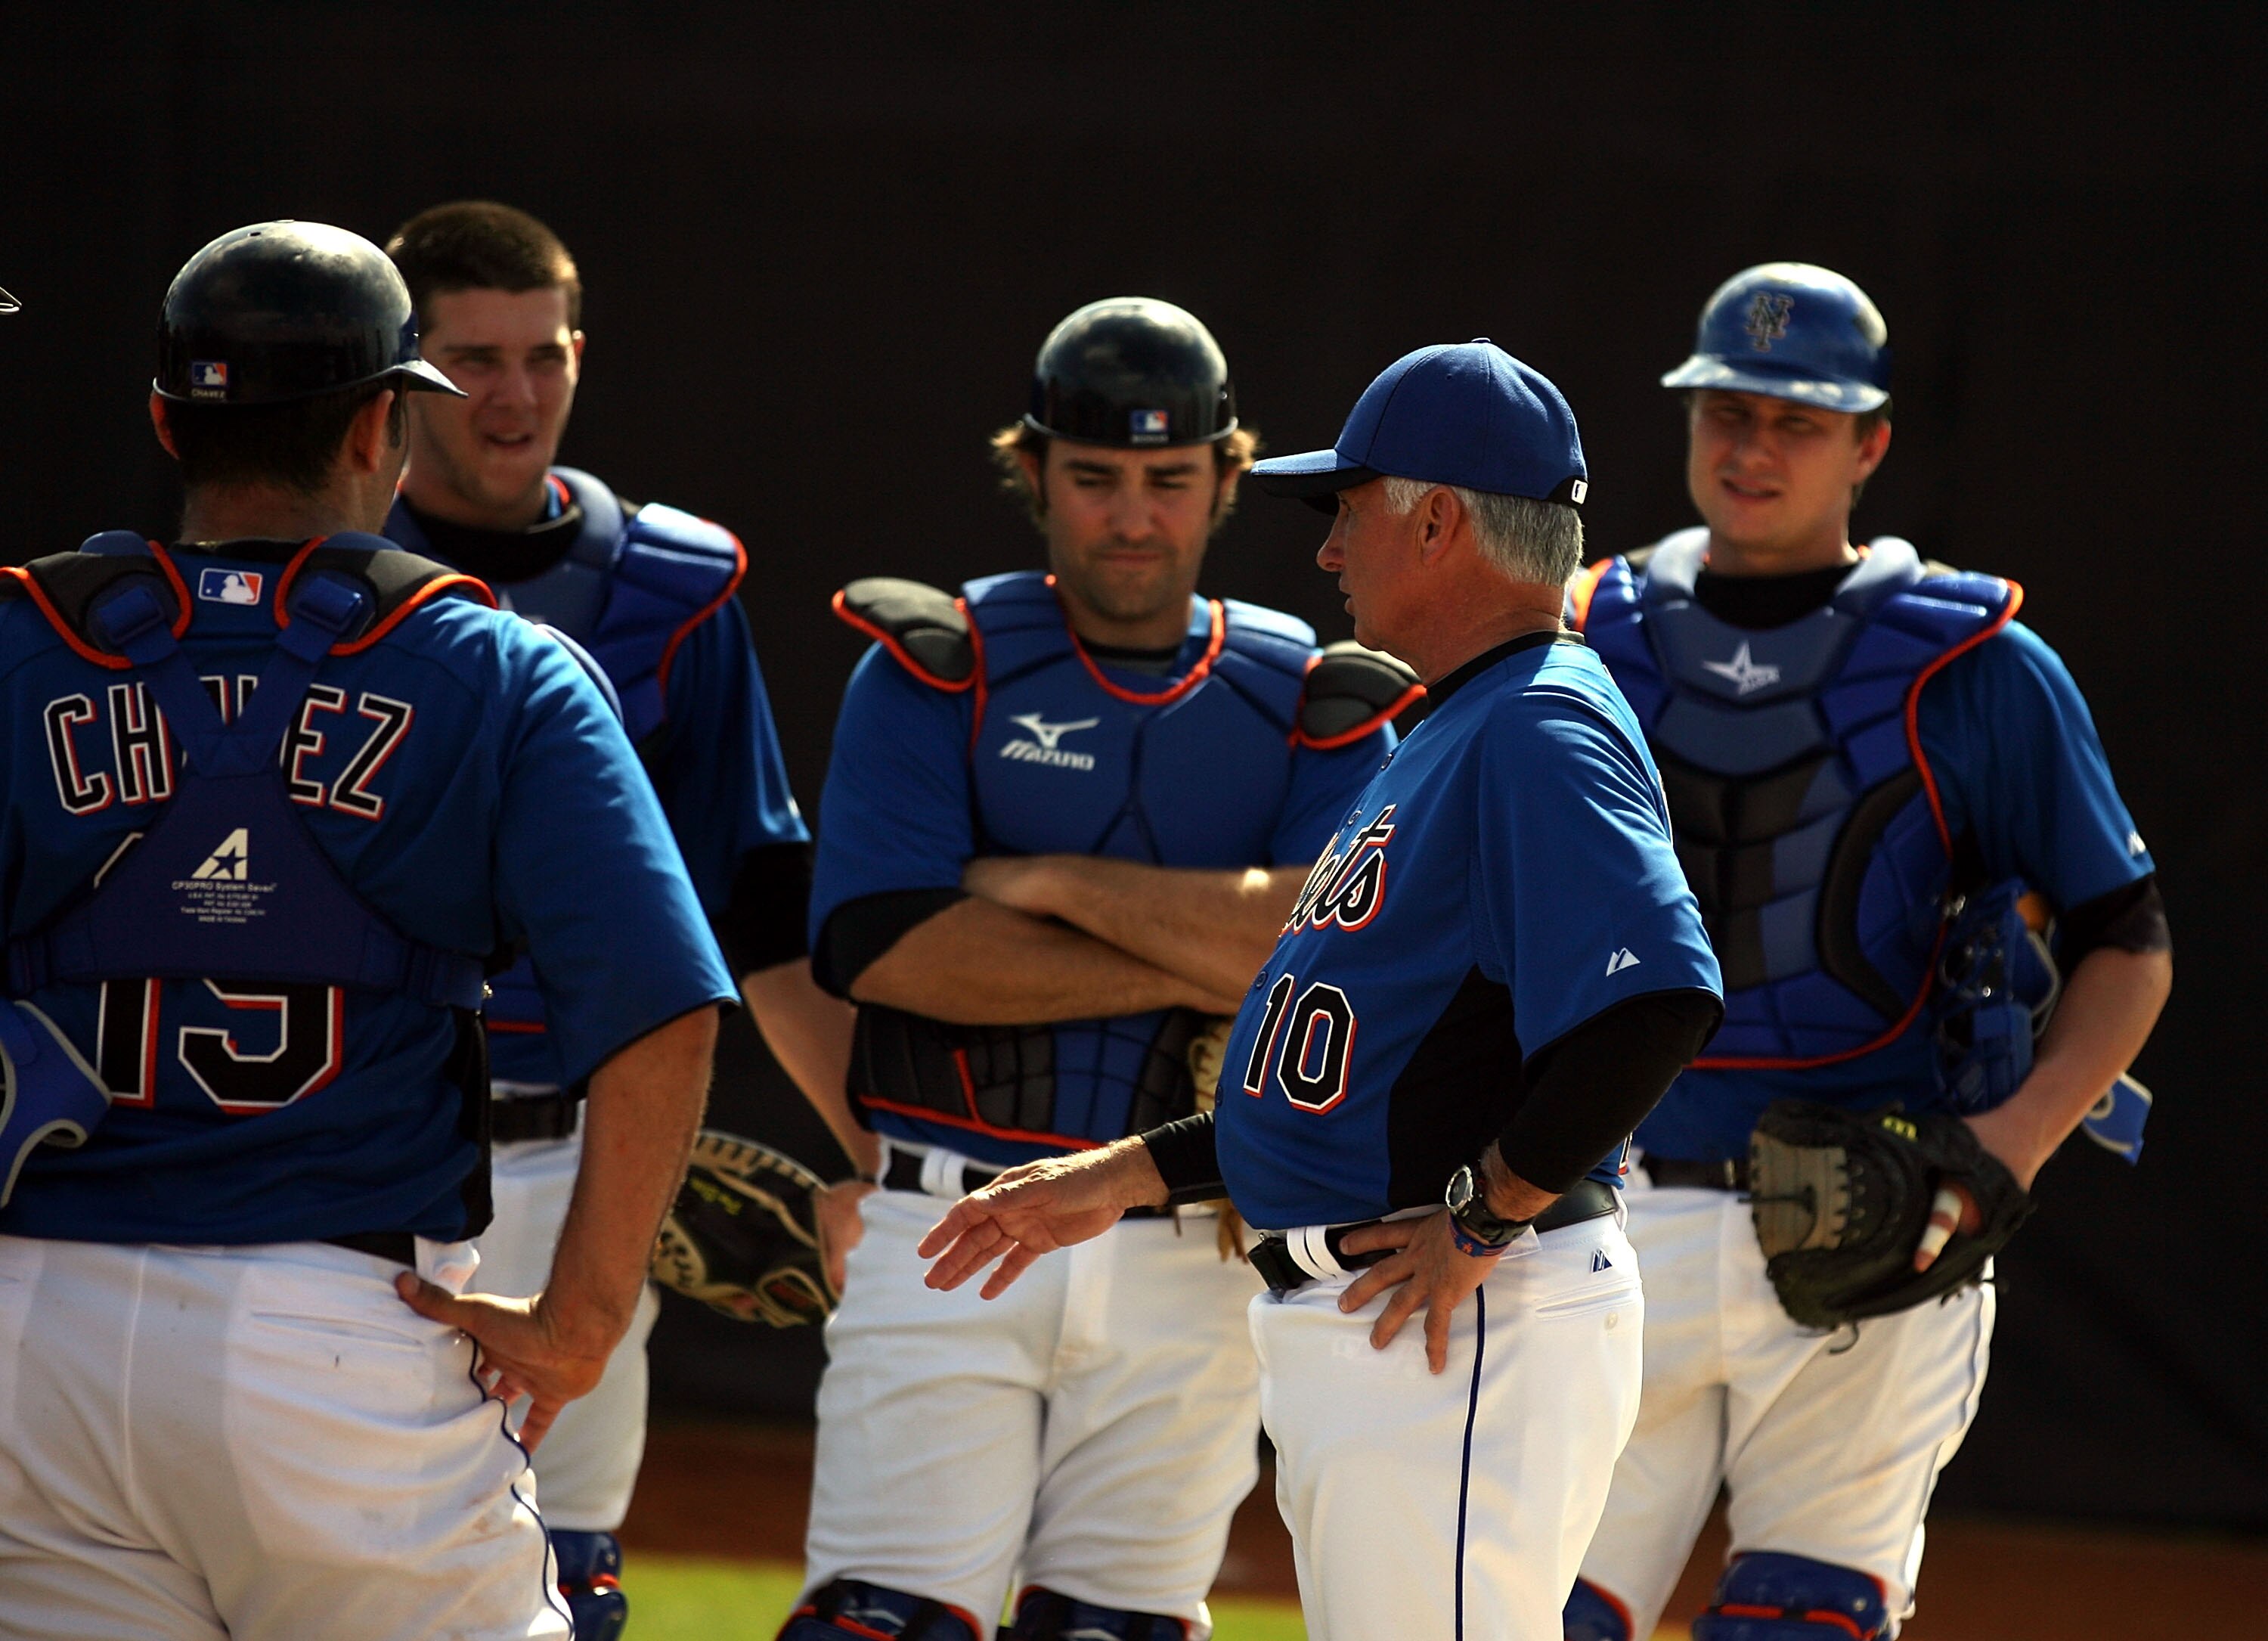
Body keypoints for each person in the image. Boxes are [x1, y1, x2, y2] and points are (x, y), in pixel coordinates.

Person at [919, 340, 1726, 1641]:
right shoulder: (1463, 724)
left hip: (1459, 1317)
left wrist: (1482, 1218)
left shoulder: (1538, 719)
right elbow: (1366, 1076)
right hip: (1398, 1324)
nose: (1326, 550)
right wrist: (1116, 1176)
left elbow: (1657, 1000)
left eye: (1346, 509)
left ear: (1439, 518)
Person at [0, 221, 736, 1639]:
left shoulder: (24, 641)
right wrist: (582, 1321)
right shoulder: (498, 664)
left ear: (168, 421)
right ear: (389, 425)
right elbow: (662, 1011)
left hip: (37, 1334)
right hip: (336, 1331)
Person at [1559, 263, 2174, 1641]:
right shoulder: (1582, 639)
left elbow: (2126, 941)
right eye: (1728, 410)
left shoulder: (1979, 666)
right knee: (1538, 1617)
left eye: (1796, 418)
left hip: (1877, 1224)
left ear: (1869, 443)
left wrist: (2003, 1150)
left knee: (1803, 1624)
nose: (1752, 445)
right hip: (1609, 1216)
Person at [787, 297, 1411, 1641]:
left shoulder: (1318, 693)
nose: (1132, 516)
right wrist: (1210, 947)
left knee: (1118, 1631)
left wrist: (1048, 881)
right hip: (946, 1227)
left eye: (1169, 479)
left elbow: (1315, 953)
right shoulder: (933, 663)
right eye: (1095, 478)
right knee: (877, 1623)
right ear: (1033, 473)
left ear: (1228, 481)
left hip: (1192, 1241)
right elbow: (886, 949)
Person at [379, 199, 856, 1639]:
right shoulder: (321, 585)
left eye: (544, 354)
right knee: (355, 1567)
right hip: (377, 1156)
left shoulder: (673, 592)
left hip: (597, 1161)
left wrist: (879, 1156)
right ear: (403, 379)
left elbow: (759, 896)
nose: (515, 395)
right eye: (473, 360)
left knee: (567, 1573)